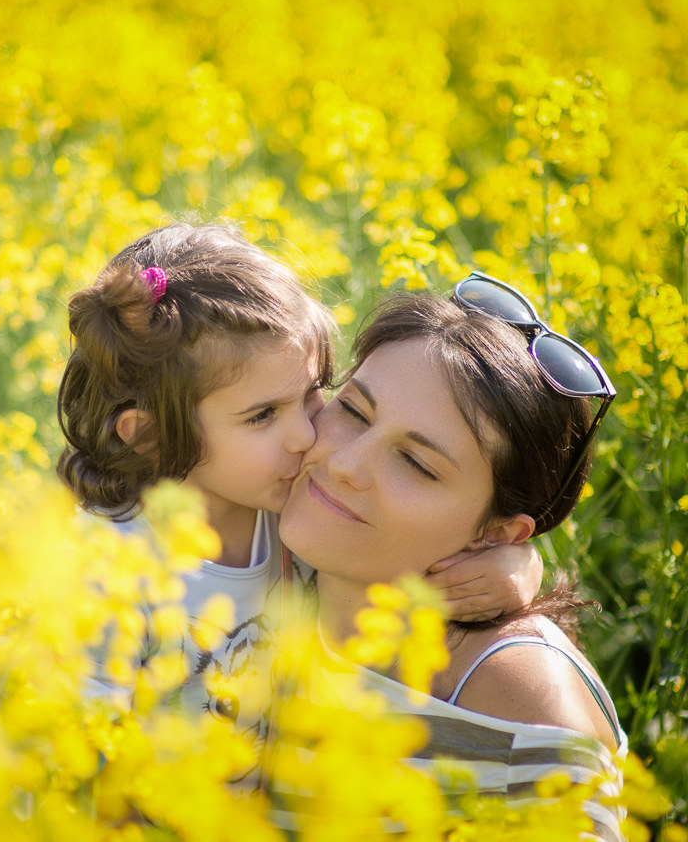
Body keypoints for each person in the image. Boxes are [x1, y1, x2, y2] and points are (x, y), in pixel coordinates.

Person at [56, 223, 545, 791]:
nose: (305, 436)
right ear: (150, 436)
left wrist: (517, 565)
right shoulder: (107, 568)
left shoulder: (290, 519)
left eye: (314, 393)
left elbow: (399, 569)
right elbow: (76, 766)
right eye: (263, 416)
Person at [268, 275, 625, 838]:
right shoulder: (265, 550)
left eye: (417, 463)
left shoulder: (517, 695)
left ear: (500, 533)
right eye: (356, 412)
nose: (346, 465)